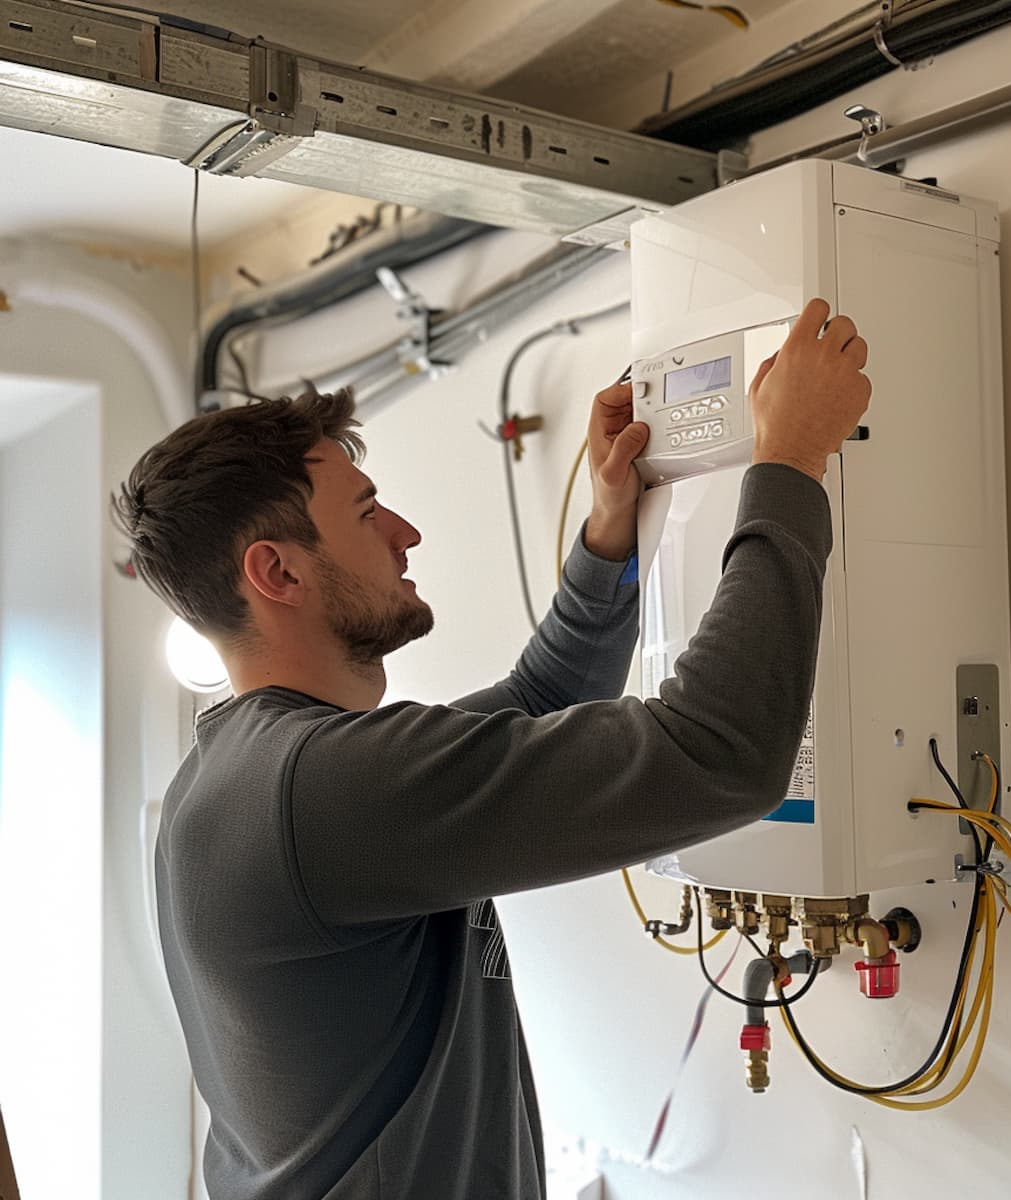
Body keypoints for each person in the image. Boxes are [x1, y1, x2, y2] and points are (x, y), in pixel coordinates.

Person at [112, 296, 869, 1200]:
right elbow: (717, 751)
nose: (406, 534)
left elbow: (532, 707)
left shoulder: (247, 770)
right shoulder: (320, 791)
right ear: (278, 572)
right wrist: (790, 462)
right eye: (366, 515)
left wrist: (609, 531)